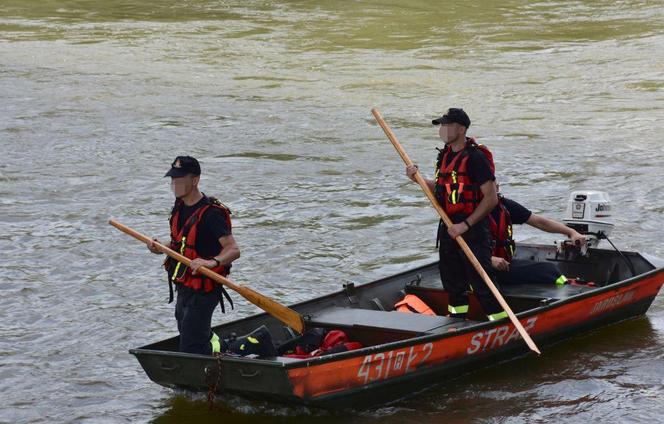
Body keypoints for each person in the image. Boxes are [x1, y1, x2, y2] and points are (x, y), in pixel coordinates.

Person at [406, 108, 506, 321]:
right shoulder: (444, 155)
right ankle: (456, 322)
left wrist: (466, 225)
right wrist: (418, 179)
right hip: (448, 226)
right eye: (441, 126)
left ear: (461, 129)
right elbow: (443, 188)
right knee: (452, 280)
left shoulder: (476, 158)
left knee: (481, 281)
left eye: (447, 125)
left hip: (473, 228)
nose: (442, 130)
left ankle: (500, 322)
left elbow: (490, 198)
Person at [147, 156, 241, 355]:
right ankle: (222, 347)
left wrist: (211, 262)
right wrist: (160, 247)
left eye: (180, 179)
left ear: (195, 180)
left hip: (205, 289)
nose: (175, 184)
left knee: (190, 345)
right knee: (187, 331)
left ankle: (242, 348)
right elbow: (179, 244)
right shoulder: (179, 207)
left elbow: (233, 250)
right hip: (184, 286)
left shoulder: (211, 213)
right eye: (173, 179)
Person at [489, 192, 587, 286]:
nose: (496, 186)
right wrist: (489, 260)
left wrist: (571, 232)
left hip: (503, 265)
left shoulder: (504, 205)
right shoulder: (475, 214)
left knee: (549, 269)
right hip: (481, 269)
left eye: (496, 184)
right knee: (548, 271)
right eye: (492, 185)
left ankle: (566, 286)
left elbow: (540, 222)